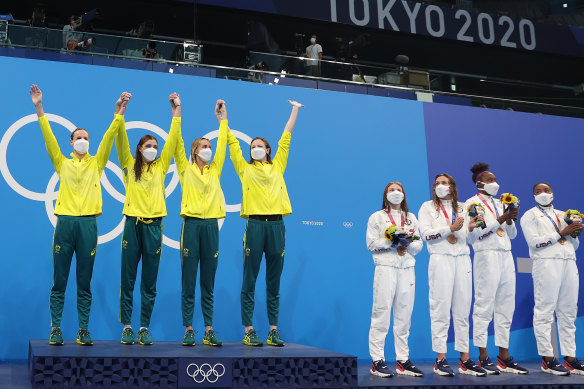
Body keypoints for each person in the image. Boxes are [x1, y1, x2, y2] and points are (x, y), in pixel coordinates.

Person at [29, 84, 126, 346]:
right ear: (71, 142)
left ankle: (83, 330)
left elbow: (108, 139)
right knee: (59, 281)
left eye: (86, 138)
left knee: (84, 282)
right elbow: (48, 136)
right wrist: (39, 107)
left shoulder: (97, 163)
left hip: (88, 227)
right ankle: (56, 328)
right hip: (65, 224)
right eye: (78, 138)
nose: (83, 140)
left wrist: (119, 113)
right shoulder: (62, 163)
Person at [227, 99, 303, 347]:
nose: (254, 149)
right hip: (255, 226)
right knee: (249, 279)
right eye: (252, 146)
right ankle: (248, 330)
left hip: (277, 227)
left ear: (268, 150)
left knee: (274, 280)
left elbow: (286, 136)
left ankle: (273, 330)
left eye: (259, 146)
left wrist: (294, 110)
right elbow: (231, 144)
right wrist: (223, 119)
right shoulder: (244, 169)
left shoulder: (278, 165)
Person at [116, 92, 180, 345]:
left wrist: (176, 110)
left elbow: (174, 139)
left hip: (155, 227)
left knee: (149, 282)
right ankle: (127, 327)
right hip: (132, 224)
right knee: (128, 278)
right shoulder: (128, 165)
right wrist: (120, 109)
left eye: (155, 146)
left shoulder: (161, 166)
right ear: (139, 149)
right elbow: (119, 138)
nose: (153, 149)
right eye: (148, 146)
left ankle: (144, 326)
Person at [418, 173, 486, 377]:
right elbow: (426, 235)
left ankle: (465, 359)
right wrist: (450, 228)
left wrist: (472, 228)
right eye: (437, 183)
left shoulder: (463, 207)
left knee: (463, 308)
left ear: (452, 186)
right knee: (440, 307)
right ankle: (440, 359)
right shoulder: (427, 207)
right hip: (440, 258)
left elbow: (471, 239)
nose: (440, 186)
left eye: (444, 183)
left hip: (463, 258)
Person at [464, 163, 528, 374]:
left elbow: (513, 235)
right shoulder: (472, 204)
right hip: (486, 256)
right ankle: (483, 355)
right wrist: (498, 220)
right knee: (484, 304)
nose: (495, 183)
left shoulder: (502, 203)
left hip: (505, 255)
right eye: (490, 180)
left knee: (506, 305)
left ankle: (504, 355)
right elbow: (475, 236)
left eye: (495, 179)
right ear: (479, 183)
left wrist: (509, 218)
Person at [175, 99, 228, 347]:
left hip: (211, 228)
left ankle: (208, 329)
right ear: (195, 151)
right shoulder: (185, 169)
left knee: (208, 282)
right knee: (189, 280)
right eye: (204, 146)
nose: (209, 149)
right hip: (192, 225)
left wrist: (222, 120)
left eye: (210, 146)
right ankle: (188, 329)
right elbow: (177, 144)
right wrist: (177, 112)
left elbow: (224, 144)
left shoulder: (215, 169)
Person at [520, 182, 584, 375]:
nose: (543, 194)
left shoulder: (564, 214)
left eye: (546, 190)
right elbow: (534, 243)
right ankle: (547, 359)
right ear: (533, 196)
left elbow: (574, 245)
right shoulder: (529, 215)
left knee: (568, 311)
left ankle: (570, 358)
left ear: (553, 194)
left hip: (568, 262)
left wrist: (573, 232)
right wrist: (560, 233)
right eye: (538, 192)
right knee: (545, 310)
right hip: (546, 263)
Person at [366, 182, 424, 378]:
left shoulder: (411, 218)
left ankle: (403, 360)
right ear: (385, 195)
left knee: (404, 316)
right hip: (386, 268)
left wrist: (407, 242)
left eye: (399, 190)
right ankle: (377, 360)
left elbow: (419, 246)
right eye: (392, 190)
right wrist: (392, 241)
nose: (396, 192)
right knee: (381, 313)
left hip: (407, 268)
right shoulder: (377, 217)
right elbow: (372, 245)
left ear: (404, 195)